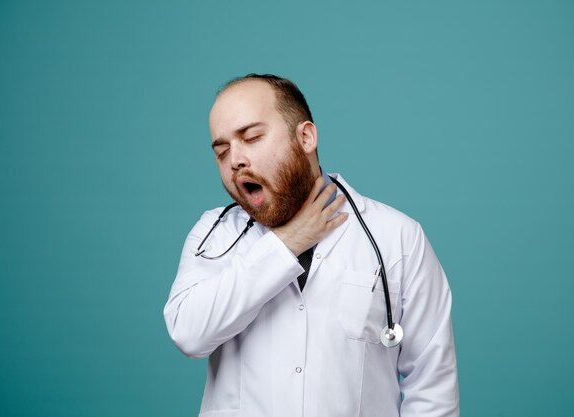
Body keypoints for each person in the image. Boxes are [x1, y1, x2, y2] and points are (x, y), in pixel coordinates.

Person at [164, 74, 459, 417]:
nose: (235, 161)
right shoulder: (213, 236)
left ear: (305, 137)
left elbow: (432, 386)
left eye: (252, 137)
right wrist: (286, 244)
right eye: (222, 151)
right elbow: (189, 334)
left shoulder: (397, 237)